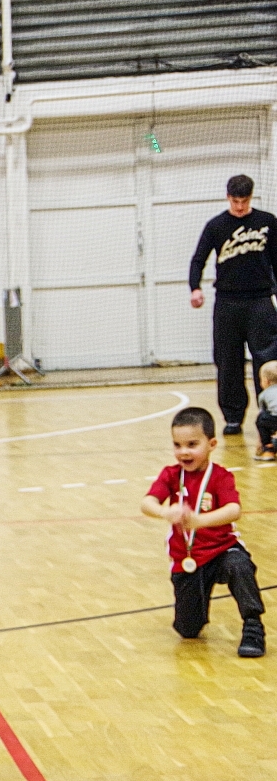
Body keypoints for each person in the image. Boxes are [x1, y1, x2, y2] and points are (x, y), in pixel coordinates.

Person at [142, 406, 265, 657]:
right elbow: (147, 503)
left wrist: (199, 520)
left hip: (221, 551)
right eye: (177, 445)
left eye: (192, 444)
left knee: (239, 565)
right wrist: (165, 512)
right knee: (188, 630)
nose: (184, 452)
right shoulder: (171, 475)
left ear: (211, 444)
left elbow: (233, 510)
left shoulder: (220, 476)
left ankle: (253, 626)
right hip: (188, 559)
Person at [188, 174, 277, 435]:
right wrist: (195, 287)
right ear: (228, 197)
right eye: (235, 201)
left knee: (267, 360)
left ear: (251, 197)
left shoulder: (267, 222)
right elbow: (198, 259)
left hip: (260, 301)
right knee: (228, 361)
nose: (240, 206)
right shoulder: (216, 226)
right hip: (227, 303)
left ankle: (271, 413)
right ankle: (233, 417)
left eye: (244, 201)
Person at [256, 362, 277, 462]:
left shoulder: (263, 395)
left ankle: (268, 449)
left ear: (266, 381)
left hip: (274, 419)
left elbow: (263, 413)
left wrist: (260, 441)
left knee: (261, 419)